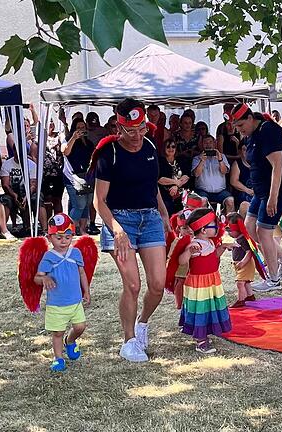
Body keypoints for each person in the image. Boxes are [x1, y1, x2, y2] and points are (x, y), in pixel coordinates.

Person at [93, 98, 170, 362]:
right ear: (119, 127)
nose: (138, 136)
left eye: (142, 129)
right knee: (133, 285)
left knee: (158, 284)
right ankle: (128, 341)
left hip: (149, 218)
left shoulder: (149, 146)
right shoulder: (108, 153)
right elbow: (98, 200)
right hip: (120, 220)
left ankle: (142, 323)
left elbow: (152, 184)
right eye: (131, 131)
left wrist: (162, 212)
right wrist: (116, 229)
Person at [231, 103, 282, 292]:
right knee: (249, 226)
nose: (240, 131)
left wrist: (273, 197)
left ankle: (273, 278)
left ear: (251, 119)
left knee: (263, 231)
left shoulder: (267, 131)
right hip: (261, 190)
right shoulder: (253, 133)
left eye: (241, 126)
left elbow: (278, 165)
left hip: (277, 189)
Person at [33, 213, 91, 372]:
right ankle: (58, 358)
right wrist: (44, 280)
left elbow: (82, 273)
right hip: (57, 304)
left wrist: (86, 291)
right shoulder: (48, 257)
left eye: (67, 236)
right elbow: (37, 278)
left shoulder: (76, 253)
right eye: (58, 237)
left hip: (75, 301)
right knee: (57, 332)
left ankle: (70, 340)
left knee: (80, 326)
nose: (63, 241)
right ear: (49, 237)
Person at [178, 208, 233, 354]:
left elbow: (214, 257)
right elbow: (182, 261)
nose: (217, 226)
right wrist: (188, 252)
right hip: (199, 285)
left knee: (209, 307)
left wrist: (223, 247)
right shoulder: (195, 244)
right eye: (214, 224)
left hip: (212, 281)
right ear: (203, 229)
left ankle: (206, 332)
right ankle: (201, 341)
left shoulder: (209, 241)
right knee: (201, 309)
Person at [0, 137, 45, 236]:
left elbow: (34, 184)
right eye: (17, 151)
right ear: (14, 151)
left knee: (38, 198)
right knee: (6, 200)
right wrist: (14, 195)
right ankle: (3, 230)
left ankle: (45, 230)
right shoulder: (7, 164)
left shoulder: (32, 165)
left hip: (28, 192)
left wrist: (26, 196)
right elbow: (5, 185)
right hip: (12, 192)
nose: (19, 154)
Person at [62, 118, 95, 234]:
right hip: (72, 177)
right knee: (79, 205)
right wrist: (74, 138)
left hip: (86, 176)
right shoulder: (68, 140)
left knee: (86, 204)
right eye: (78, 128)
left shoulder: (88, 142)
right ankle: (69, 229)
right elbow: (65, 152)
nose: (81, 130)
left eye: (83, 127)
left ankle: (82, 229)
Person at [192, 134, 234, 214]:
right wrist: (202, 161)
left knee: (230, 201)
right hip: (203, 191)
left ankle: (229, 225)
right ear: (202, 144)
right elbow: (196, 174)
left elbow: (224, 171)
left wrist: (220, 160)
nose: (208, 145)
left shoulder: (222, 156)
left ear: (214, 143)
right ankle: (204, 225)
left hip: (220, 191)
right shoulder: (197, 158)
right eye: (205, 143)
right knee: (202, 201)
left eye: (210, 142)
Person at [226, 213, 256, 308]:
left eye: (230, 230)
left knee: (240, 283)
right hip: (240, 263)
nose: (228, 233)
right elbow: (239, 248)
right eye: (227, 230)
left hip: (245, 264)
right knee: (245, 282)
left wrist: (243, 262)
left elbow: (249, 252)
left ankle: (241, 300)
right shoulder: (238, 238)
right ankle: (250, 296)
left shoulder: (243, 239)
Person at [158, 140, 190, 215]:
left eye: (173, 146)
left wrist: (176, 186)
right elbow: (160, 179)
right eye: (168, 147)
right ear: (164, 149)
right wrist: (176, 182)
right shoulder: (160, 161)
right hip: (165, 193)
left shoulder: (181, 159)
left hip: (182, 192)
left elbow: (186, 176)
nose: (171, 149)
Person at [42, 122, 65, 217]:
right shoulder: (40, 137)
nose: (51, 125)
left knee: (57, 199)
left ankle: (59, 222)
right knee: (47, 199)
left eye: (52, 123)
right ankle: (48, 224)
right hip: (45, 174)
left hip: (58, 173)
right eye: (48, 123)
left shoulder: (59, 136)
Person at [230, 141, 254, 215]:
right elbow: (233, 181)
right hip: (243, 192)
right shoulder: (237, 163)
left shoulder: (258, 163)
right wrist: (247, 190)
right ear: (240, 151)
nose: (247, 152)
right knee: (245, 205)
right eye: (244, 149)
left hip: (257, 192)